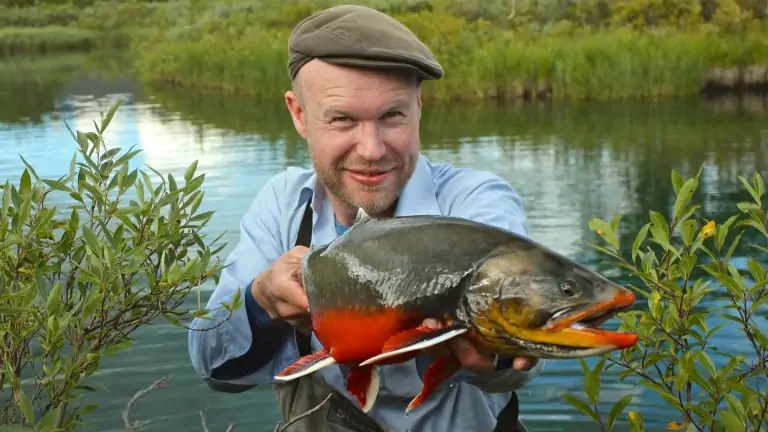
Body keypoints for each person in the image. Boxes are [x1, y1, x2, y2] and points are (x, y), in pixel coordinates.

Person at [188, 4, 545, 432]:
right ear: (299, 114)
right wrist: (262, 303)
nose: (372, 150)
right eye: (342, 119)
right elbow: (213, 368)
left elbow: (521, 355)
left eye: (392, 116)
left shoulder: (474, 202)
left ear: (418, 105)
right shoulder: (284, 206)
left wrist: (497, 353)